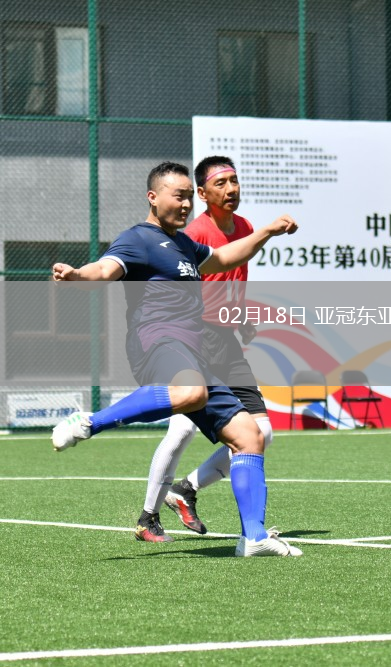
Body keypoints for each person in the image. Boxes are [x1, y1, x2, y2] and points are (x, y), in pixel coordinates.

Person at [51, 161, 302, 558]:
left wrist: (266, 232)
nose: (185, 204)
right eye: (178, 196)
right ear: (153, 197)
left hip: (197, 350)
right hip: (158, 340)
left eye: (188, 197)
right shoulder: (138, 238)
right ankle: (88, 423)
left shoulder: (184, 245)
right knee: (190, 393)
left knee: (250, 436)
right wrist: (78, 275)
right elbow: (105, 268)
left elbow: (224, 258)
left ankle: (254, 537)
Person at [132, 156, 273, 542]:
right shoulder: (193, 234)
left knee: (262, 431)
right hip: (196, 338)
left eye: (234, 181)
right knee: (181, 430)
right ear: (202, 193)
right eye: (221, 183)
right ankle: (148, 516)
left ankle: (186, 489)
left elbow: (235, 279)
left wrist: (240, 316)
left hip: (225, 340)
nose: (231, 189)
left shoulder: (244, 227)